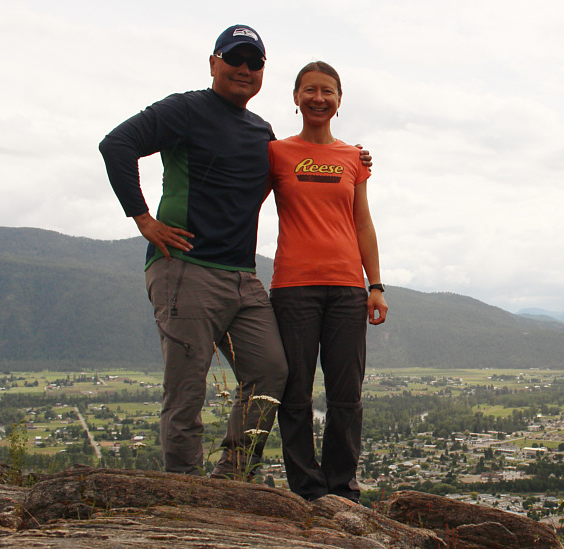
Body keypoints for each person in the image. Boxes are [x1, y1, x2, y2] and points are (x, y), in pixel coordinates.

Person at [99, 25, 370, 478]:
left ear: (263, 72)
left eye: (254, 62)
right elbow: (117, 145)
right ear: (213, 63)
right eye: (234, 59)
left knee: (270, 372)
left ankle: (232, 478)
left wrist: (354, 159)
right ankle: (185, 492)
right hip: (185, 268)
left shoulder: (260, 131)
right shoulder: (185, 108)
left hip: (242, 277)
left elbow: (300, 173)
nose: (244, 69)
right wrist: (143, 219)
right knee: (186, 389)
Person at [268, 61, 387, 501]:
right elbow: (243, 199)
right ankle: (306, 486)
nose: (319, 98)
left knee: (346, 395)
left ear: (339, 102)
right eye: (310, 90)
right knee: (295, 393)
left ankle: (341, 488)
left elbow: (363, 223)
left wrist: (375, 285)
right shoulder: (276, 152)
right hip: (293, 287)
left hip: (347, 288)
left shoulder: (353, 158)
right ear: (295, 97)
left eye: (328, 92)